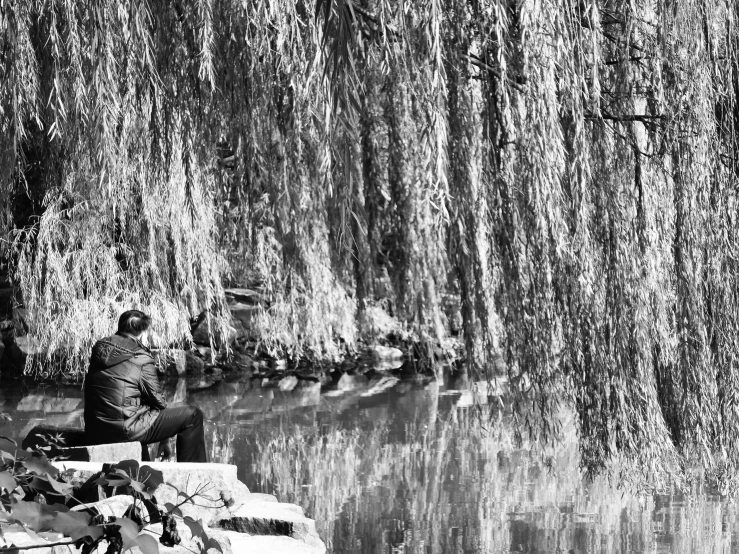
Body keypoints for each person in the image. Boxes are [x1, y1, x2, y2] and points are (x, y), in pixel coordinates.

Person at [84, 310, 207, 463]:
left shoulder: (99, 350)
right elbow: (156, 398)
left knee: (138, 411)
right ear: (143, 332)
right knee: (193, 415)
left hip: (94, 430)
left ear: (120, 326)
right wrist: (164, 439)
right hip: (125, 430)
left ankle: (143, 465)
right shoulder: (141, 357)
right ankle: (194, 474)